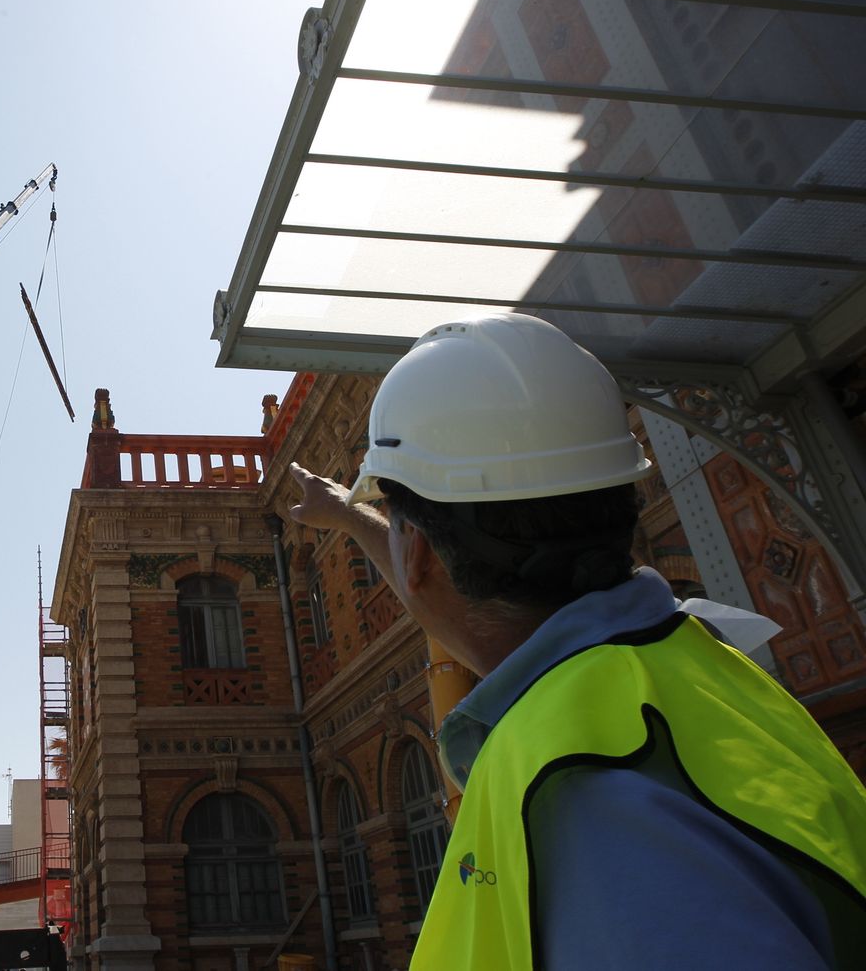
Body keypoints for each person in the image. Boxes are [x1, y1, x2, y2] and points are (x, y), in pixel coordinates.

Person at [289, 313, 866, 970]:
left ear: (417, 552)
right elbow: (439, 576)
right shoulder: (702, 667)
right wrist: (347, 512)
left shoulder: (583, 795)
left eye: (396, 526)